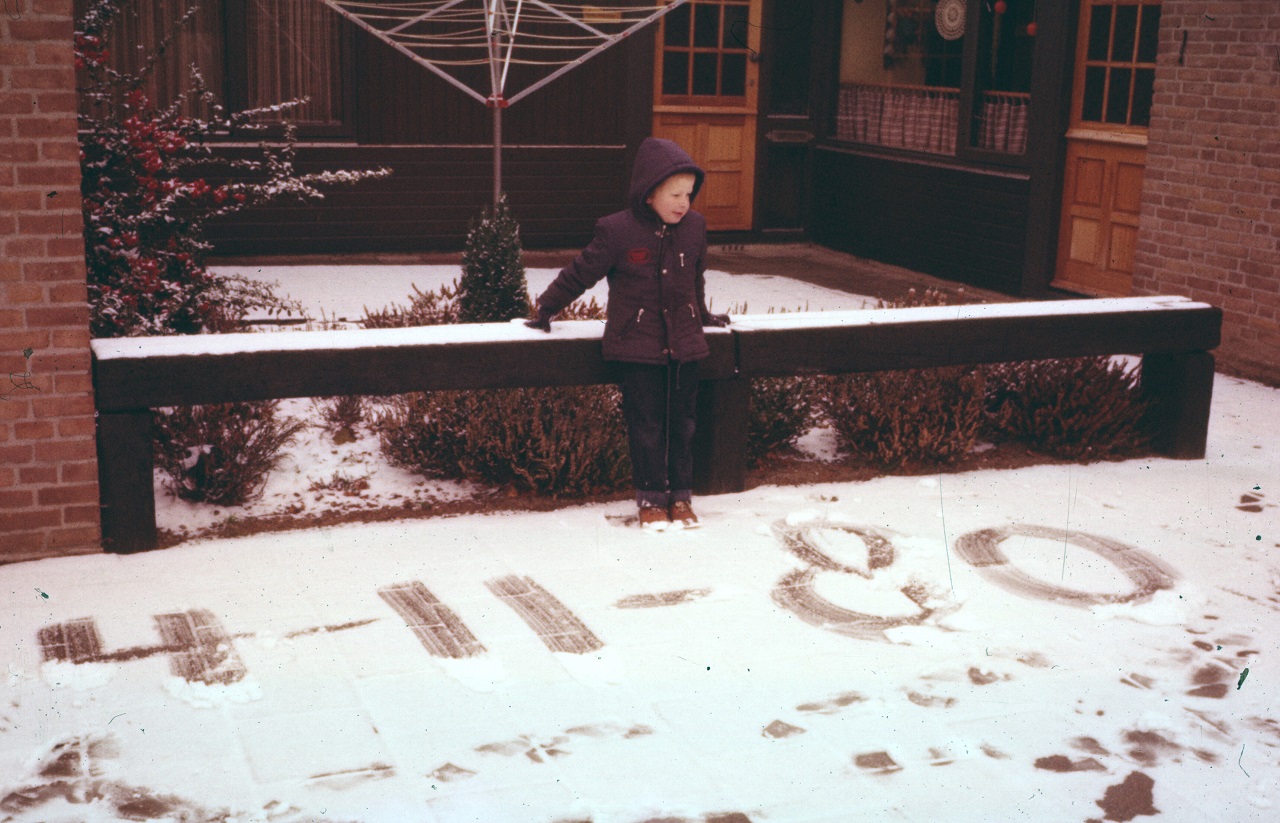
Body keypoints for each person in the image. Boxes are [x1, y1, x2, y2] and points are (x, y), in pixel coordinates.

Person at [525, 137, 729, 531]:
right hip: (638, 347)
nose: (684, 203)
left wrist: (702, 315)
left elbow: (695, 279)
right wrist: (547, 307)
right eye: (675, 194)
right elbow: (581, 272)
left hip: (685, 345)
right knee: (647, 426)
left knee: (683, 424)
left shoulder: (695, 227)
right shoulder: (618, 230)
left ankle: (681, 496)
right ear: (649, 193)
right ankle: (651, 499)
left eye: (689, 194)